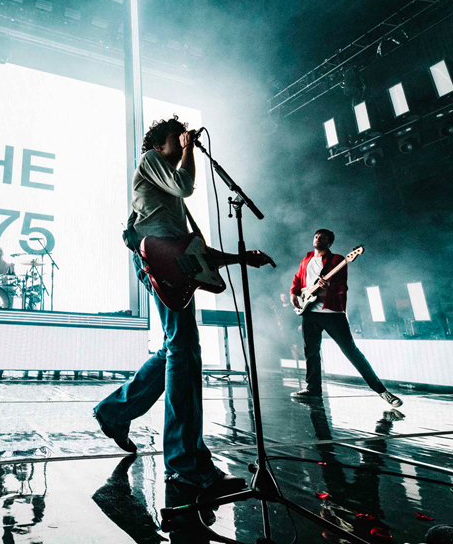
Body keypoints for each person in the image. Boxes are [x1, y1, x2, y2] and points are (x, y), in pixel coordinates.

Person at [93, 116, 274, 493]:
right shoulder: (149, 159)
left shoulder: (170, 198)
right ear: (161, 144)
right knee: (184, 352)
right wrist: (189, 148)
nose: (185, 139)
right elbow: (185, 184)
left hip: (170, 260)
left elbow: (191, 251)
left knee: (177, 348)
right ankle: (185, 462)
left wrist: (240, 259)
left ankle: (115, 412)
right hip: (155, 259)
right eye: (178, 136)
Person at [289, 229, 402, 407]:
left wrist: (329, 285)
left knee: (351, 352)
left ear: (329, 242)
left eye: (323, 237)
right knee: (311, 352)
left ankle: (382, 391)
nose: (318, 238)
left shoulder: (338, 260)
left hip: (333, 313)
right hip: (310, 312)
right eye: (317, 236)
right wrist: (293, 294)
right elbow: (297, 280)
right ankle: (313, 389)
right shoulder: (306, 260)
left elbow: (342, 286)